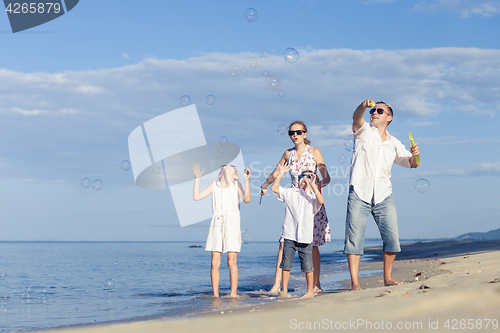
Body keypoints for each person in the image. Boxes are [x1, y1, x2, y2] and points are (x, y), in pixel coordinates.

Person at [345, 100, 420, 291]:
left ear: (389, 117)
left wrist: (415, 155)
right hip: (359, 192)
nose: (374, 113)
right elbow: (356, 117)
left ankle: (388, 278)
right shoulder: (363, 132)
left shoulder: (394, 143)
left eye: (379, 110)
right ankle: (355, 283)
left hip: (383, 195)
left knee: (392, 238)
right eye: (373, 110)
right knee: (354, 240)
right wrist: (362, 105)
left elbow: (412, 164)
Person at [261, 121, 331, 294]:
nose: (295, 135)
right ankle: (277, 284)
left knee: (312, 243)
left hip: (311, 200)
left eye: (299, 132)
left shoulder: (314, 152)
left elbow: (327, 177)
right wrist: (264, 185)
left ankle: (316, 283)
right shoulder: (288, 154)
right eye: (292, 132)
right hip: (293, 200)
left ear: (305, 134)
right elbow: (276, 172)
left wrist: (314, 186)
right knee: (284, 242)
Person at [192, 163, 251, 297]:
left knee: (232, 261)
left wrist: (246, 181)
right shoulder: (214, 185)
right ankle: (215, 294)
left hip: (232, 223)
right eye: (224, 166)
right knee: (214, 262)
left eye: (231, 166)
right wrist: (197, 179)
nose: (227, 166)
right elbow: (196, 197)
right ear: (220, 174)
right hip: (217, 223)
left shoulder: (237, 185)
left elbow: (247, 199)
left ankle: (233, 294)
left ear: (235, 175)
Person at [271, 163, 324, 298]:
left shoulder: (313, 198)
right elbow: (274, 188)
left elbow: (321, 200)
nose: (304, 179)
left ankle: (310, 291)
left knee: (308, 265)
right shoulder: (291, 193)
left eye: (309, 177)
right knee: (286, 264)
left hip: (305, 237)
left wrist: (314, 187)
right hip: (289, 235)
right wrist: (281, 174)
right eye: (302, 176)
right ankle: (284, 290)